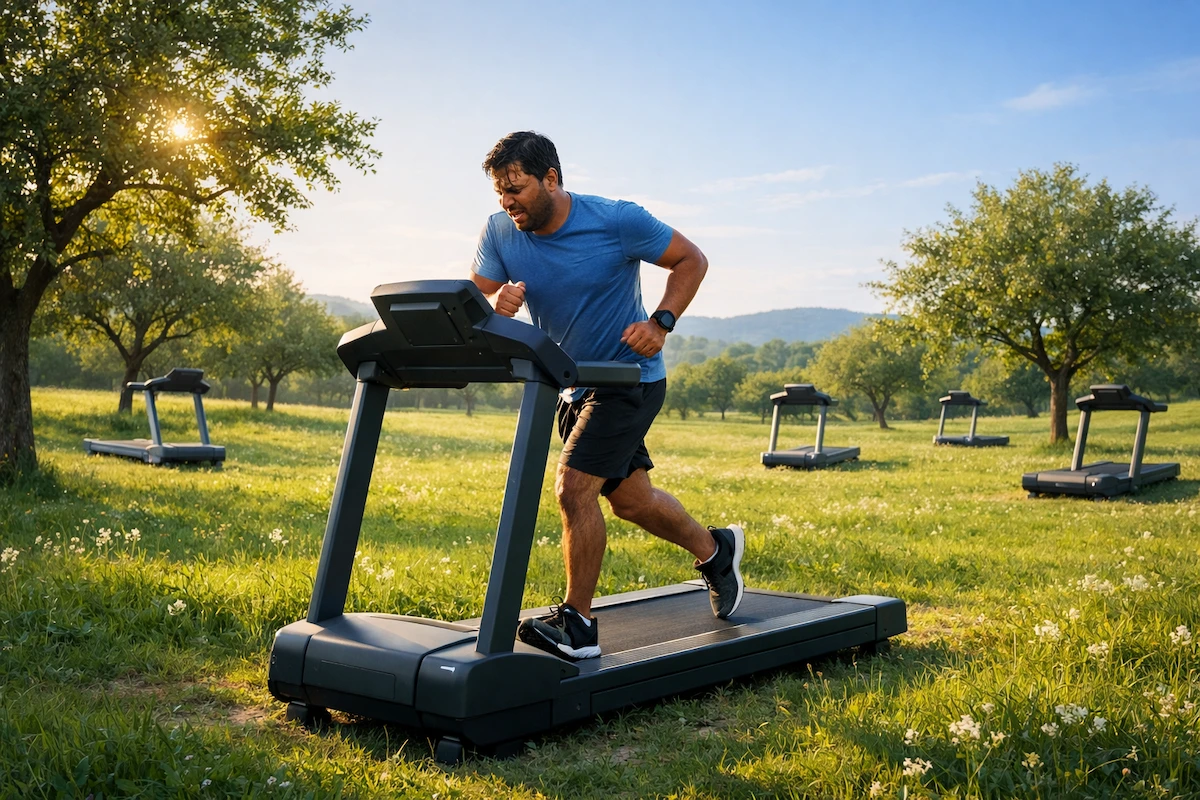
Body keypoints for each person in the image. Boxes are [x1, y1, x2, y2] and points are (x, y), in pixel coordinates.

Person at [469, 131, 745, 661]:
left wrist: (661, 323)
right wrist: (496, 303)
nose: (507, 201)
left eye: (516, 188)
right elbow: (475, 295)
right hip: (570, 382)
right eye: (499, 191)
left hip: (628, 379)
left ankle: (578, 625)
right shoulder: (500, 231)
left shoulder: (617, 220)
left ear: (551, 178)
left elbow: (692, 259)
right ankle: (716, 551)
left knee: (574, 490)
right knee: (631, 502)